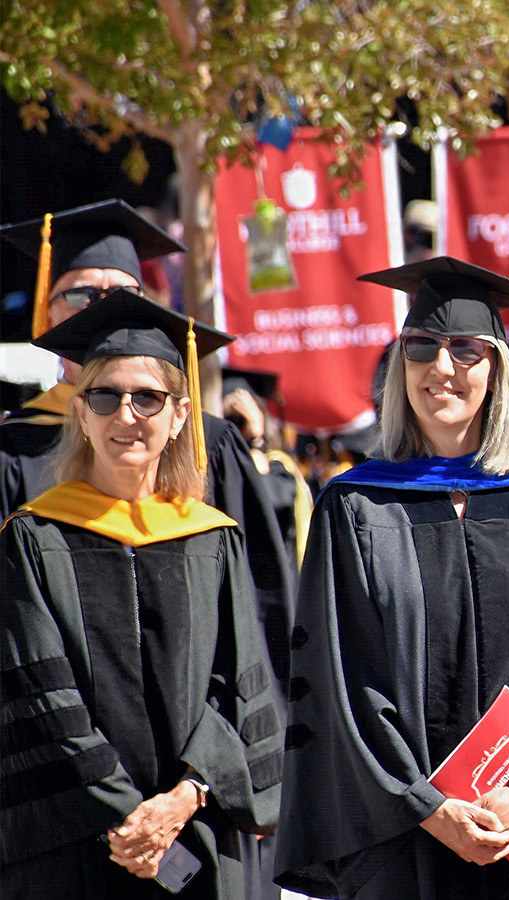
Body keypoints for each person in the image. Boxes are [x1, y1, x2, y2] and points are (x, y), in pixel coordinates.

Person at [275, 257, 509, 900]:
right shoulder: (356, 507)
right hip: (398, 838)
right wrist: (426, 805)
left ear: (500, 368)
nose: (442, 367)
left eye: (466, 350)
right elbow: (340, 681)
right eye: (422, 347)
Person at [1, 292, 282, 900]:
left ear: (180, 415)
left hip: (200, 835)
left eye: (147, 398)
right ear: (80, 412)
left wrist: (185, 797)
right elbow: (37, 696)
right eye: (105, 396)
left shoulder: (210, 538)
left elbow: (240, 682)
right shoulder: (34, 536)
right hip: (76, 844)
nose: (126, 414)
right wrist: (129, 819)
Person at [0, 201, 296, 699]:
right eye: (79, 293)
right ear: (46, 311)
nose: (100, 305)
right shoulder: (12, 449)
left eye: (121, 292)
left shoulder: (210, 442)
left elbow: (258, 608)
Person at [222, 366, 313, 564]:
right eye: (228, 423)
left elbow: (271, 500)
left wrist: (256, 437)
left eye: (240, 422)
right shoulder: (215, 465)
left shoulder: (278, 465)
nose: (237, 432)